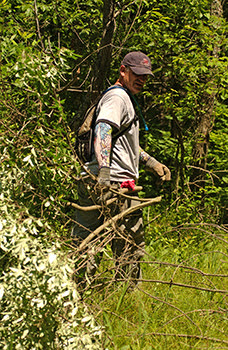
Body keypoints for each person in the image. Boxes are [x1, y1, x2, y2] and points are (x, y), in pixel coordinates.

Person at [72, 51, 171, 288]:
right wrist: (105, 172)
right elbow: (103, 130)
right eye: (137, 74)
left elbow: (126, 144)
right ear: (123, 70)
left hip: (100, 179)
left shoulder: (123, 97)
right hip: (112, 184)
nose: (141, 80)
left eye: (145, 76)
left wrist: (151, 162)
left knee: (87, 241)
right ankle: (123, 294)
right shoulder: (117, 97)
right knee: (128, 244)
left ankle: (84, 293)